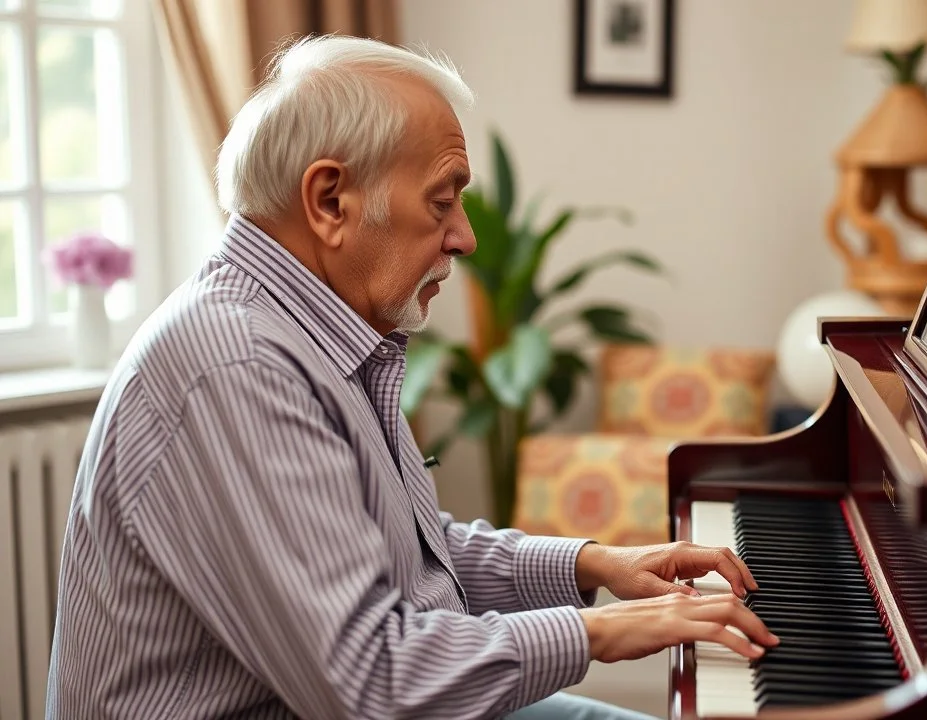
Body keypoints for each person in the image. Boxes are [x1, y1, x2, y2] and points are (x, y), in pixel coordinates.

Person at [44, 33, 777, 720]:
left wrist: (597, 563)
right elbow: (373, 682)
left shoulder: (320, 330)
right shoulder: (236, 363)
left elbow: (409, 547)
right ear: (331, 201)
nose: (465, 236)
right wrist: (601, 631)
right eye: (441, 199)